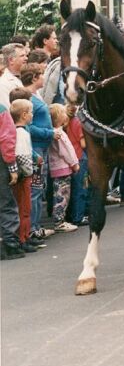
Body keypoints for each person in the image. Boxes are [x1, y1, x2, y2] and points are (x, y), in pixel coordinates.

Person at [20, 64, 57, 241]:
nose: (44, 77)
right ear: (34, 78)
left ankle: (35, 225)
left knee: (38, 188)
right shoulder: (29, 99)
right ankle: (33, 228)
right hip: (36, 148)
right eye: (41, 74)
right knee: (35, 189)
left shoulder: (36, 95)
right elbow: (29, 126)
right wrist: (50, 133)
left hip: (42, 146)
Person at [9, 98, 39, 253]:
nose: (32, 115)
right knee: (24, 208)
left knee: (25, 207)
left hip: (25, 175)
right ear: (24, 115)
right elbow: (21, 156)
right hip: (24, 177)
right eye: (31, 112)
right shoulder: (21, 133)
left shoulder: (21, 131)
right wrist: (29, 171)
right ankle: (22, 238)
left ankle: (25, 236)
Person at [0, 102, 27, 260]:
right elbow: (7, 139)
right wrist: (12, 167)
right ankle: (10, 245)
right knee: (6, 203)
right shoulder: (2, 110)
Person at [48, 104, 80, 232]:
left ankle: (59, 220)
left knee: (59, 193)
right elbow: (66, 151)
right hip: (63, 168)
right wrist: (74, 163)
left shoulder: (54, 132)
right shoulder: (59, 133)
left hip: (57, 168)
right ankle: (59, 222)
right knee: (63, 195)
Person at [65, 103, 90, 225]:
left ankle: (71, 214)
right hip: (80, 157)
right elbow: (83, 144)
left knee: (72, 188)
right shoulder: (77, 122)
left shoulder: (66, 122)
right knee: (81, 187)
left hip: (69, 158)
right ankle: (78, 216)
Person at [0, 43, 26, 109]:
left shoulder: (25, 78)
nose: (26, 58)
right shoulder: (3, 84)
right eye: (22, 56)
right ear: (11, 60)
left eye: (26, 55)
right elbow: (7, 111)